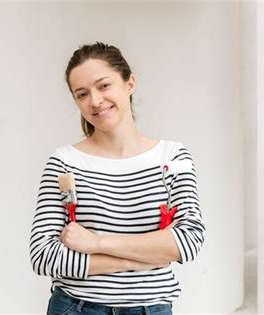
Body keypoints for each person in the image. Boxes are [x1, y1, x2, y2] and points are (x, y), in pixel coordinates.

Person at [29, 42, 205, 315]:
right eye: (82, 94)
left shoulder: (172, 158)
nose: (95, 101)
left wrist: (96, 244)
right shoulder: (64, 163)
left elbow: (188, 241)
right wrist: (145, 256)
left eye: (104, 86)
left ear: (129, 83)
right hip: (76, 309)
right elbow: (43, 256)